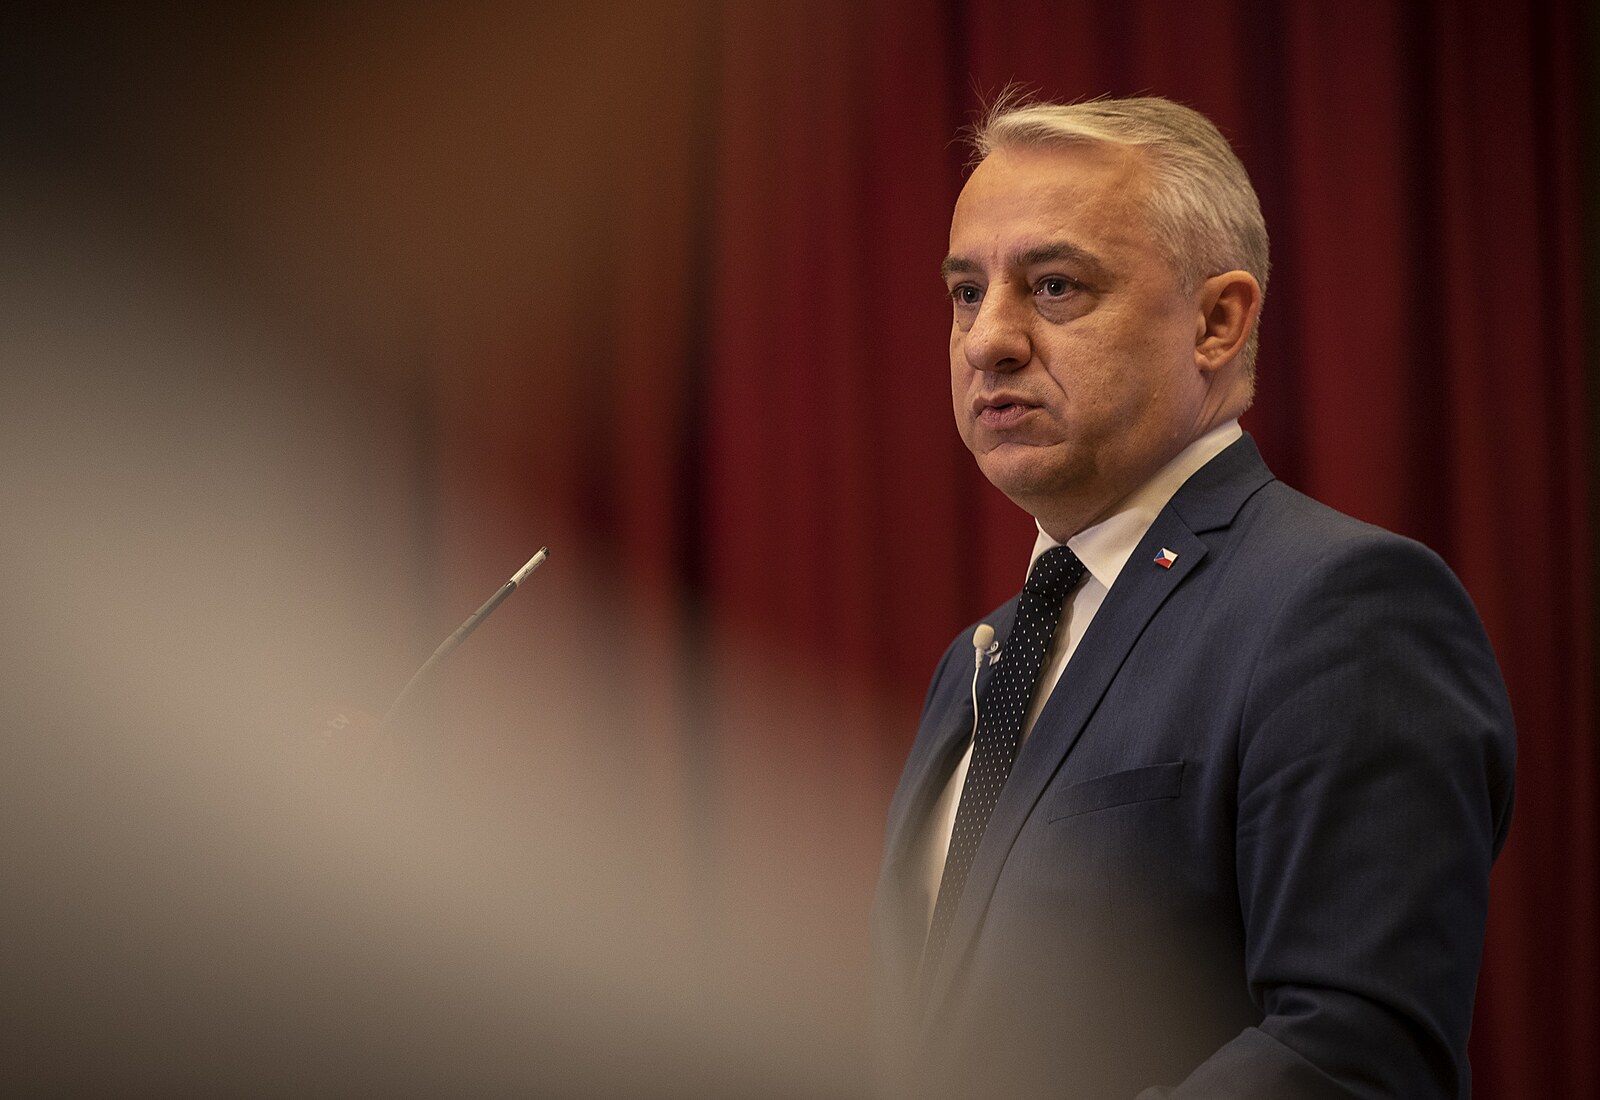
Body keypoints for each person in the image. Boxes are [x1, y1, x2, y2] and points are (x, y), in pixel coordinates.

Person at [870, 96, 1515, 1100]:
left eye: (1053, 285)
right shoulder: (978, 659)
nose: (986, 340)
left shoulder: (1342, 608)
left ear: (1218, 321)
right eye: (965, 291)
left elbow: (1351, 1056)